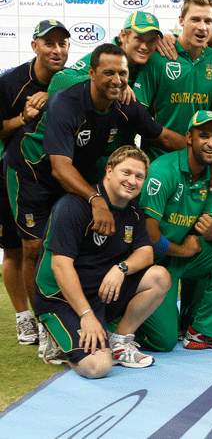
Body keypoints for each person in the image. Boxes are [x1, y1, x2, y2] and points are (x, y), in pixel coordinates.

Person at [4, 43, 184, 358]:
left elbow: (161, 134)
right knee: (34, 247)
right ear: (91, 73)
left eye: (122, 74)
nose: (116, 80)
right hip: (32, 171)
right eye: (109, 73)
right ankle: (45, 326)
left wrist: (211, 158)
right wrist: (95, 198)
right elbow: (59, 167)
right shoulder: (66, 102)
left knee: (67, 244)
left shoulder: (125, 102)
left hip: (70, 173)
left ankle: (88, 317)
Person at [34, 146, 170, 378]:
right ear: (109, 171)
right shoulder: (74, 206)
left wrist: (121, 269)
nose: (132, 181)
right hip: (61, 299)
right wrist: (86, 314)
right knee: (98, 367)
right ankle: (56, 339)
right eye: (126, 172)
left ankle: (119, 341)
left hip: (100, 291)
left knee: (159, 277)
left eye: (139, 177)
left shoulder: (133, 211)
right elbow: (60, 266)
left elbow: (146, 253)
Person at [137, 111, 212, 352]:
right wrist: (183, 250)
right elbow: (149, 236)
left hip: (176, 261)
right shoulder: (162, 172)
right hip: (148, 266)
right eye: (203, 135)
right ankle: (126, 325)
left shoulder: (209, 176)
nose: (211, 143)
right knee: (163, 341)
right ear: (188, 137)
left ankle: (203, 332)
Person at [0, 20, 69, 347]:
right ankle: (23, 317)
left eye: (62, 43)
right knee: (16, 250)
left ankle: (46, 315)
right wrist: (23, 118)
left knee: (41, 247)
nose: (57, 50)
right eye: (49, 43)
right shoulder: (11, 82)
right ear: (35, 47)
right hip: (9, 175)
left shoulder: (70, 83)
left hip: (49, 178)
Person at [133, 0, 212, 196]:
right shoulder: (158, 57)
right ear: (181, 21)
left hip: (200, 166)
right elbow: (139, 114)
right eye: (195, 19)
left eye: (208, 21)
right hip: (159, 163)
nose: (202, 27)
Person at [47, 11, 164, 183]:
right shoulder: (108, 56)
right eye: (139, 38)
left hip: (124, 159)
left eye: (151, 40)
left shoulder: (154, 60)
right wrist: (106, 81)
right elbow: (57, 83)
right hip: (89, 157)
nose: (145, 46)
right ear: (123, 35)